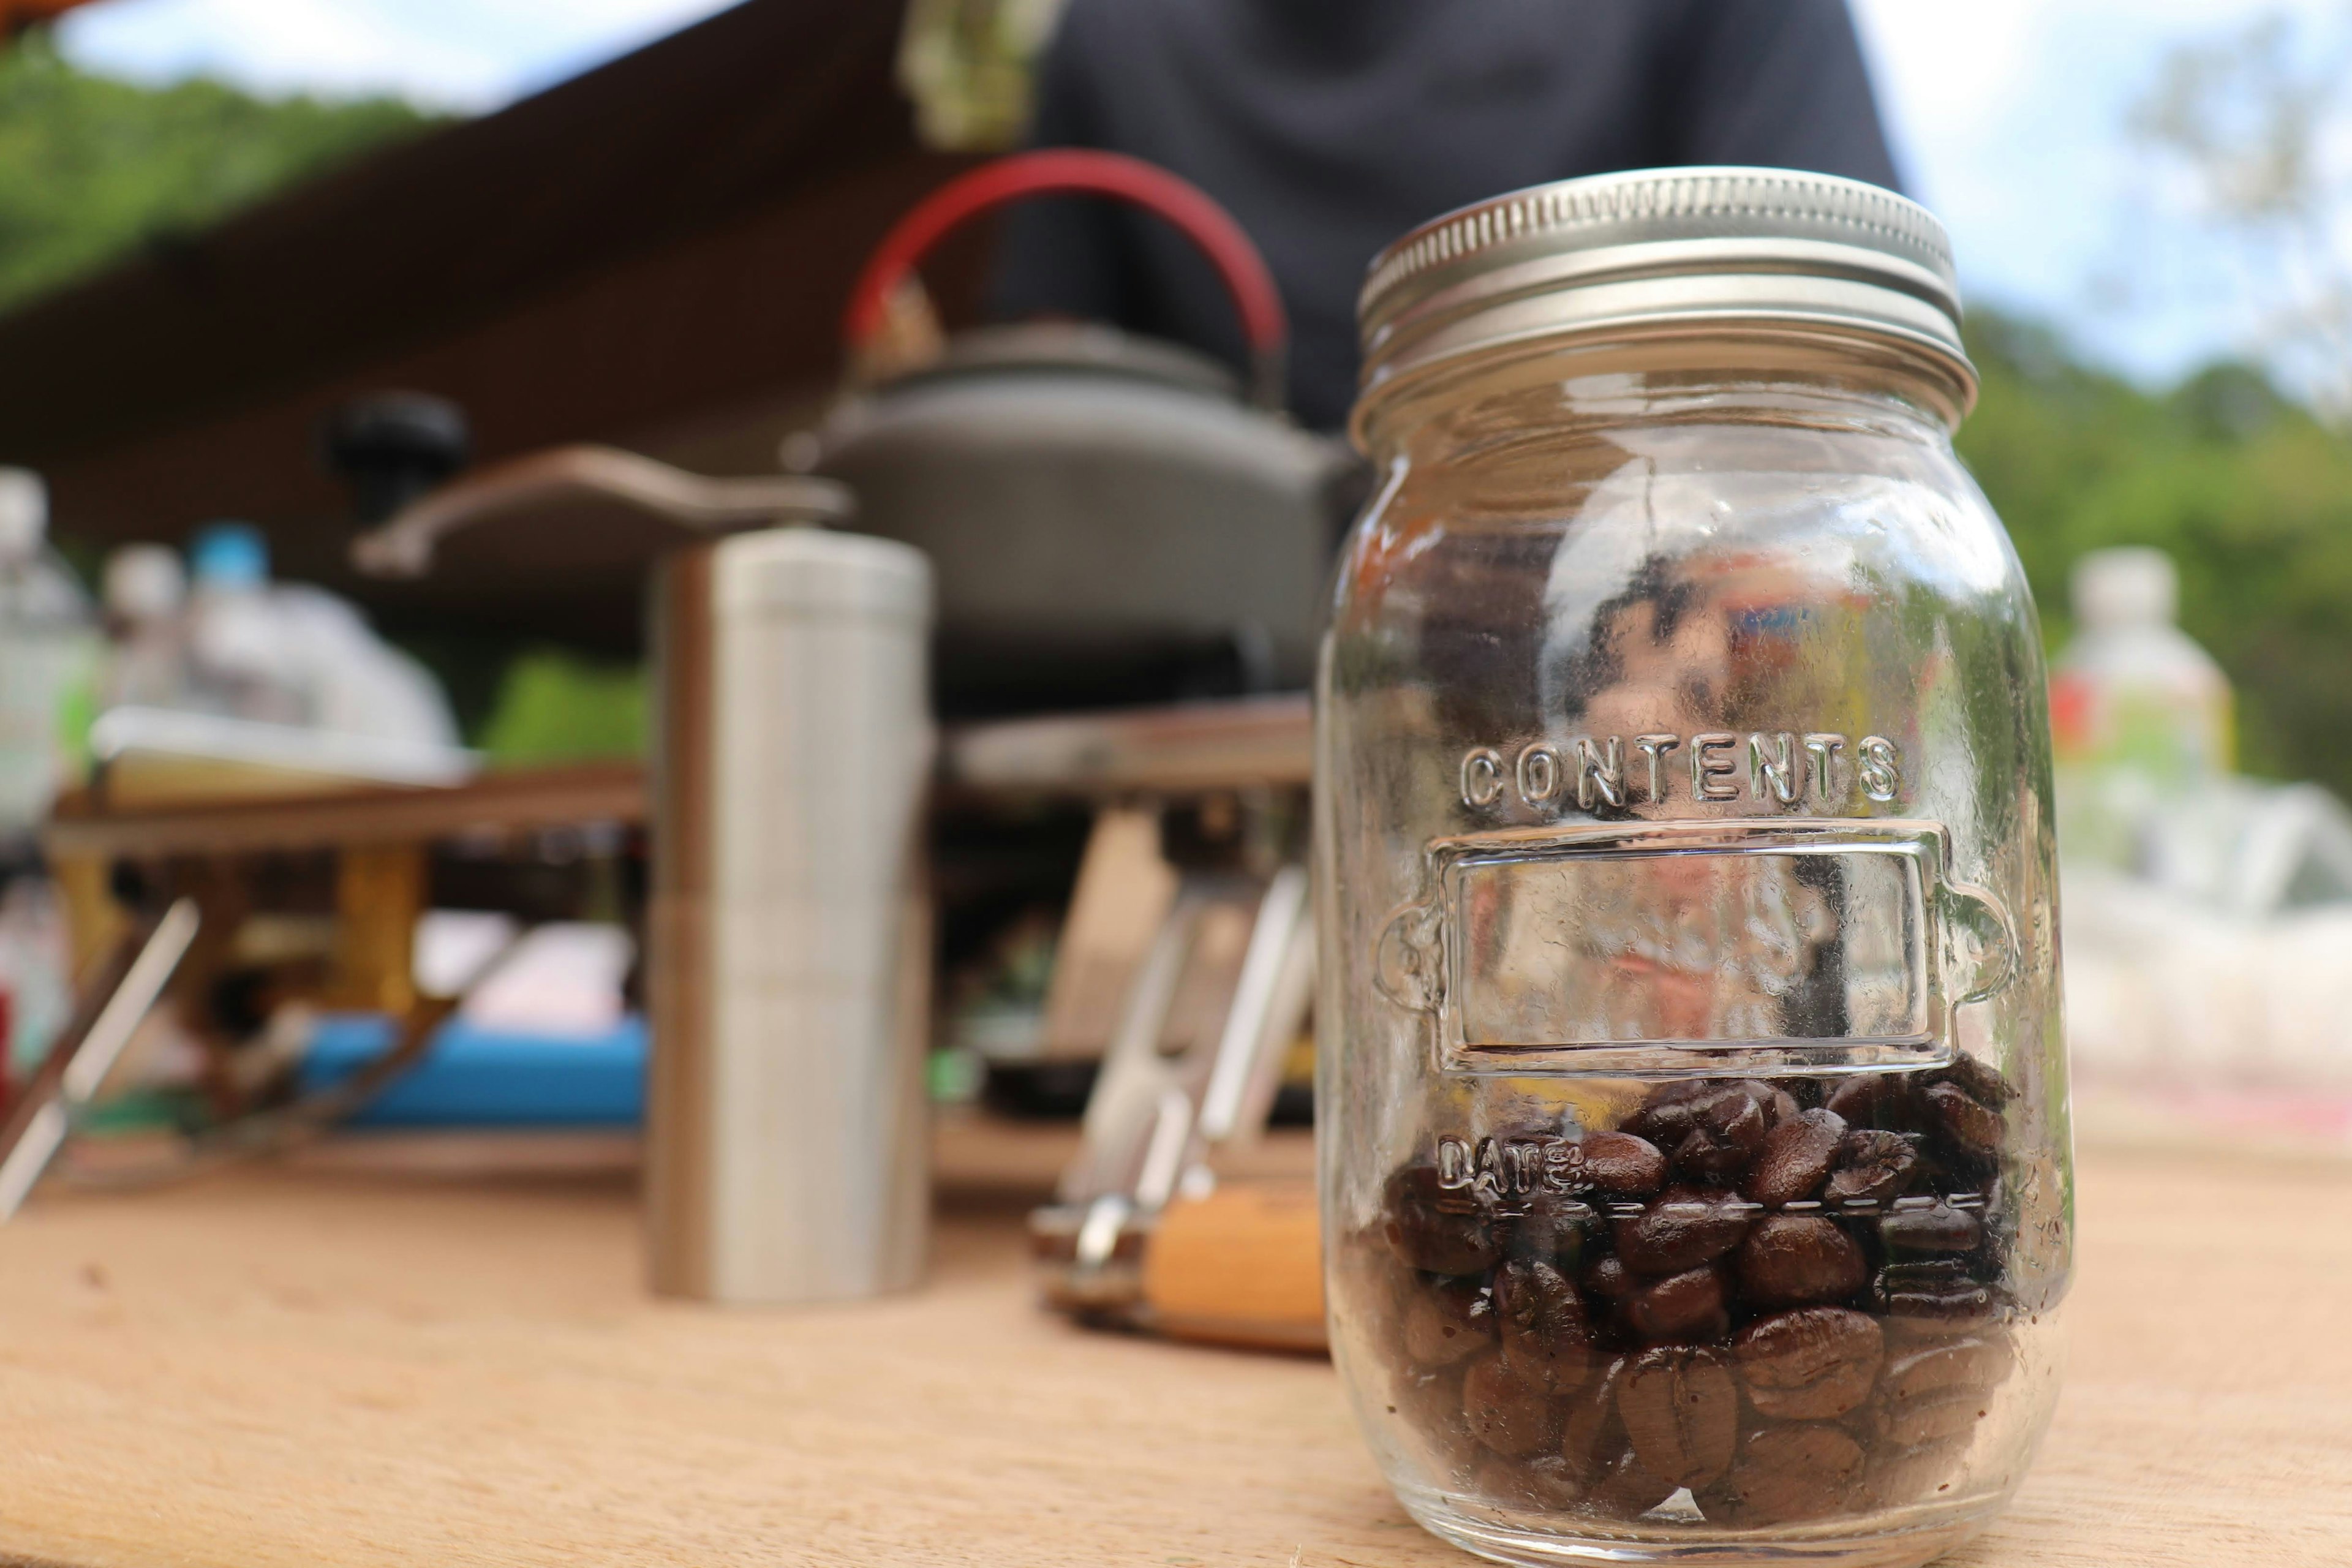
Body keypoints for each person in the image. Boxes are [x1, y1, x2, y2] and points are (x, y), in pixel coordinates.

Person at [993, 0, 1903, 431]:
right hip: (1219, 662)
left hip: (1648, 602)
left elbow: (1850, 367)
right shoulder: (1111, 38)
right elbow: (1047, 400)